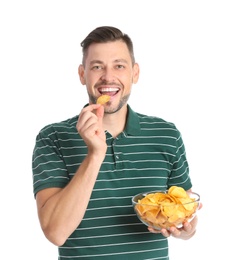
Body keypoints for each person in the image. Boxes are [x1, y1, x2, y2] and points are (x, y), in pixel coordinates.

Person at [32, 26, 200, 259]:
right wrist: (94, 154)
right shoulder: (53, 137)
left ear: (135, 73)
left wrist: (186, 231)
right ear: (82, 74)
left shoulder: (167, 134)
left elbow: (184, 214)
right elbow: (55, 232)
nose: (108, 77)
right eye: (97, 66)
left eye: (119, 66)